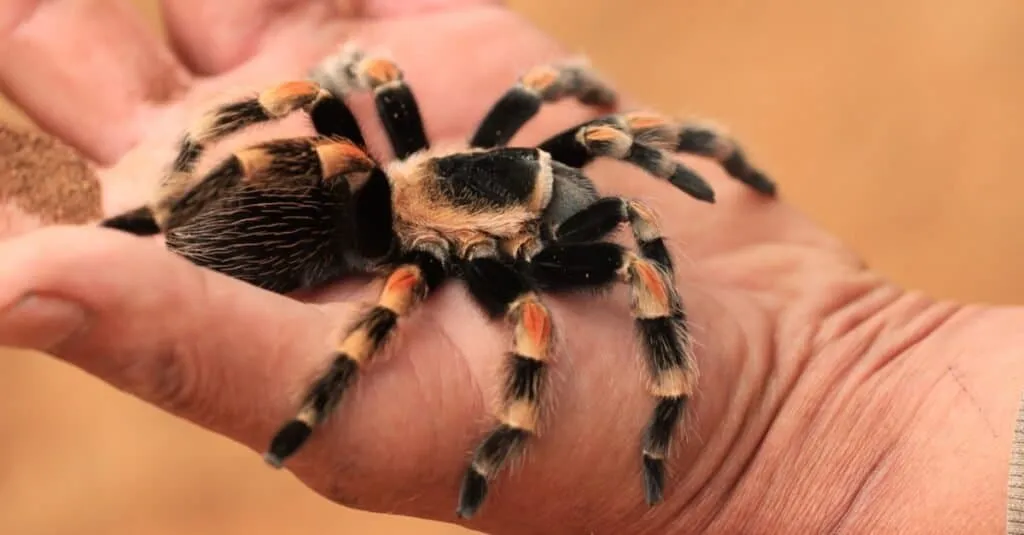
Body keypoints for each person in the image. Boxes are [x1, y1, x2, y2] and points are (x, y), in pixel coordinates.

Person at [1, 1, 1022, 533]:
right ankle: (163, 215)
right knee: (480, 286)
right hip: (363, 236)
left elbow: (567, 109)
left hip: (380, 200)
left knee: (363, 141)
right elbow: (511, 318)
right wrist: (496, 438)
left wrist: (770, 413)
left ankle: (163, 210)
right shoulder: (428, 253)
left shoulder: (489, 152)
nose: (557, 174)